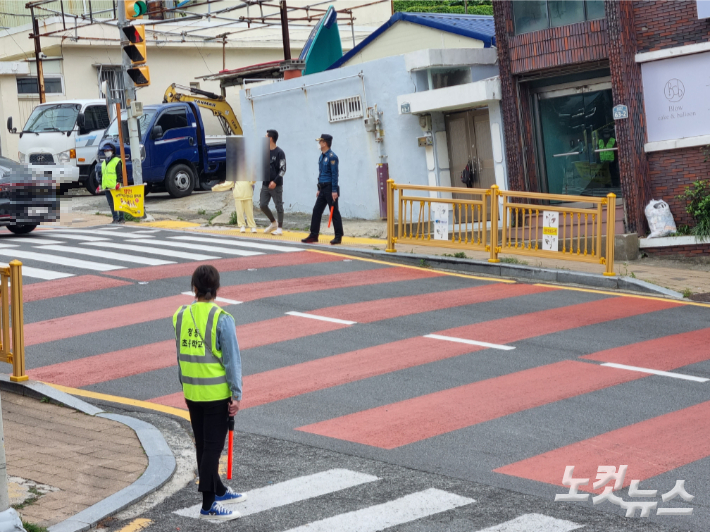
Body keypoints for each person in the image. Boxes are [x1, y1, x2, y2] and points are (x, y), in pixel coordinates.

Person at [173, 265, 245, 521]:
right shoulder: (222, 318)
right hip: (215, 395)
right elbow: (232, 361)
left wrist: (184, 384)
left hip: (192, 392)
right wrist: (236, 394)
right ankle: (208, 506)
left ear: (194, 288)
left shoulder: (180, 315)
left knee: (203, 446)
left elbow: (180, 355)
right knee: (212, 449)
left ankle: (219, 490)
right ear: (216, 290)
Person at [301, 134, 343, 245]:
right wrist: (318, 188)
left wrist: (334, 190)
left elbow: (334, 175)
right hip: (323, 188)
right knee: (316, 211)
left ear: (325, 143)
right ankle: (314, 235)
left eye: (320, 142)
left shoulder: (332, 157)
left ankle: (338, 236)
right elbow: (321, 174)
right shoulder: (322, 156)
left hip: (330, 188)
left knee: (334, 212)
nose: (319, 144)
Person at [261, 130, 286, 235]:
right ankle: (273, 223)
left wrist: (275, 181)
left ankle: (279, 228)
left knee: (278, 205)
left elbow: (283, 169)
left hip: (276, 185)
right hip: (265, 184)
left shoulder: (280, 152)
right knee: (262, 205)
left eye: (266, 136)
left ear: (270, 138)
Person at [96, 143, 124, 224]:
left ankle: (121, 219)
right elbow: (102, 175)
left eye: (108, 150)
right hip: (107, 186)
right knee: (111, 204)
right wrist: (100, 185)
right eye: (105, 151)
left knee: (119, 203)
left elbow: (119, 173)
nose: (106, 152)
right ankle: (115, 218)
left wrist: (119, 182)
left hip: (115, 186)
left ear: (112, 151)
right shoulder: (104, 162)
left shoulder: (117, 161)